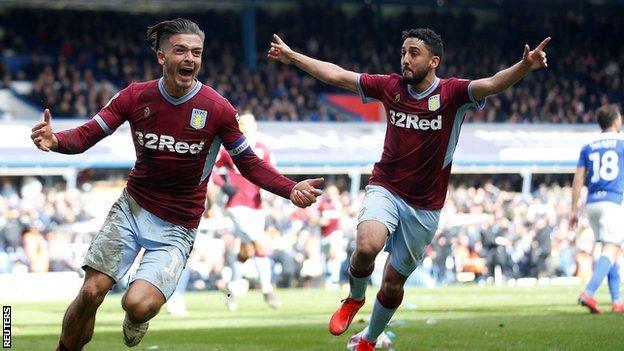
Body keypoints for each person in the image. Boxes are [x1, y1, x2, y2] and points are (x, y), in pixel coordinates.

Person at [30, 18, 323, 351]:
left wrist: (290, 188)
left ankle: (137, 317)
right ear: (161, 56)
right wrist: (55, 140)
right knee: (92, 290)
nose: (189, 59)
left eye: (196, 52)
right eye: (180, 50)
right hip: (132, 208)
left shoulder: (218, 109)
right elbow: (87, 135)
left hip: (178, 226)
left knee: (137, 304)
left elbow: (249, 164)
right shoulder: (134, 96)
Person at [268, 28, 549, 350]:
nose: (405, 58)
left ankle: (369, 339)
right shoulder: (390, 87)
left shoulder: (452, 94)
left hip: (426, 205)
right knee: (366, 246)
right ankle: (354, 298)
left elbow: (494, 83)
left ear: (434, 61)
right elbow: (338, 75)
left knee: (392, 283)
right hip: (386, 186)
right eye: (403, 51)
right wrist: (292, 57)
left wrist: (524, 66)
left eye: (413, 53)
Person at [212, 111, 282, 310]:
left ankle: (229, 289)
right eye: (244, 123)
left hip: (256, 205)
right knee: (259, 242)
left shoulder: (263, 149)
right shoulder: (230, 148)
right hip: (236, 205)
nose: (248, 127)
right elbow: (212, 169)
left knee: (247, 250)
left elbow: (273, 173)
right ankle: (268, 290)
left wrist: (271, 193)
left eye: (251, 123)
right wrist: (223, 185)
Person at [570, 104, 624, 314]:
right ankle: (589, 293)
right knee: (612, 249)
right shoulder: (622, 142)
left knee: (611, 252)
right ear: (616, 120)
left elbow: (577, 180)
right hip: (613, 201)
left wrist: (573, 210)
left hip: (592, 204)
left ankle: (617, 300)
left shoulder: (588, 145)